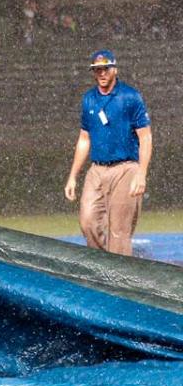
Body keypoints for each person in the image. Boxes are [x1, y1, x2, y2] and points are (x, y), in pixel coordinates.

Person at [64, 50, 152, 256]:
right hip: (97, 169)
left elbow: (145, 137)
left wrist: (141, 173)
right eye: (97, 70)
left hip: (125, 168)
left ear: (115, 69)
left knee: (119, 231)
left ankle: (120, 281)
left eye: (105, 69)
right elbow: (84, 139)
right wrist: (72, 177)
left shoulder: (130, 97)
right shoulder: (89, 100)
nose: (101, 74)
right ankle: (104, 268)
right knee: (88, 222)